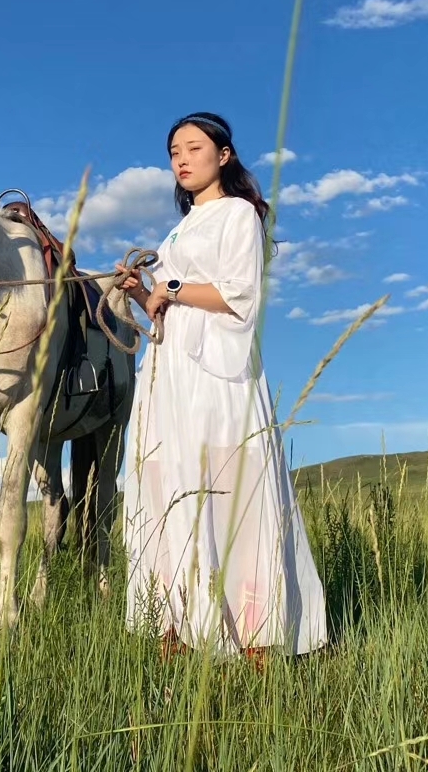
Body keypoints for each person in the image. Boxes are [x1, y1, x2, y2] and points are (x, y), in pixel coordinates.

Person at [118, 111, 327, 667]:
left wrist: (172, 284)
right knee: (169, 487)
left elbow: (240, 294)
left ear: (224, 156)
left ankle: (254, 634)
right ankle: (179, 626)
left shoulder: (238, 214)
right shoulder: (178, 230)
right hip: (170, 372)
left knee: (229, 488)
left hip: (217, 376)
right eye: (173, 152)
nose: (181, 159)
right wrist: (142, 292)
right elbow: (168, 305)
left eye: (193, 147)